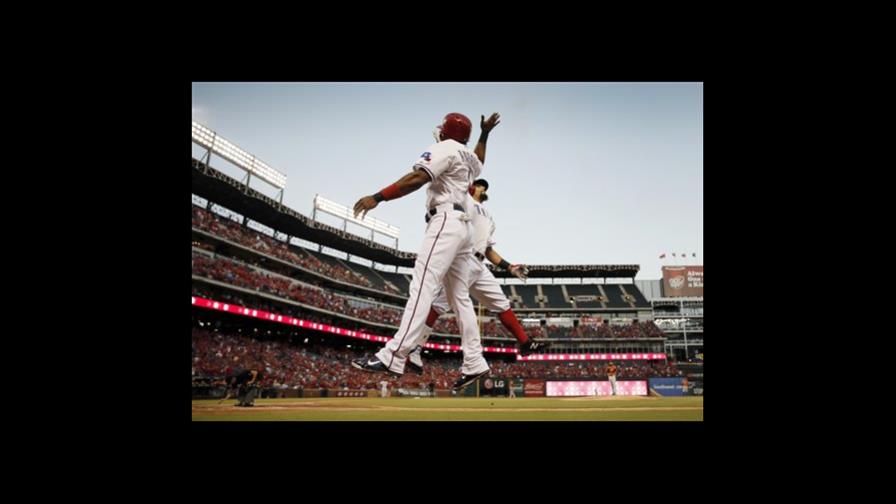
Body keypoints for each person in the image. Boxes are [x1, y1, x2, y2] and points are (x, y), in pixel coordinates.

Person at [351, 112, 497, 393]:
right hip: (464, 228)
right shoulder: (468, 156)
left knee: (423, 286)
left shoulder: (445, 148)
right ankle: (474, 361)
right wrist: (485, 134)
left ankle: (393, 355)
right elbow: (479, 158)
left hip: (445, 221)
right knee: (460, 299)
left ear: (445, 131)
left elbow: (417, 178)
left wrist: (378, 197)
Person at [407, 177, 549, 377]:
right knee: (440, 304)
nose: (484, 188)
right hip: (463, 258)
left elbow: (488, 250)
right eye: (481, 185)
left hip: (480, 264)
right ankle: (415, 348)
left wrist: (510, 268)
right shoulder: (464, 200)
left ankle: (525, 343)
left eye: (485, 186)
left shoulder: (490, 217)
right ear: (473, 187)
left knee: (501, 304)